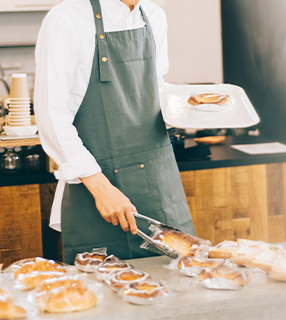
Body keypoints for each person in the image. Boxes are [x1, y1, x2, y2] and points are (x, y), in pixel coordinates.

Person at [34, 0, 195, 264]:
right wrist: (100, 187)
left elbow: (155, 86)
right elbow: (52, 116)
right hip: (99, 189)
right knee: (106, 291)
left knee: (178, 282)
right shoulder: (66, 19)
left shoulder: (154, 15)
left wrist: (190, 106)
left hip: (159, 184)